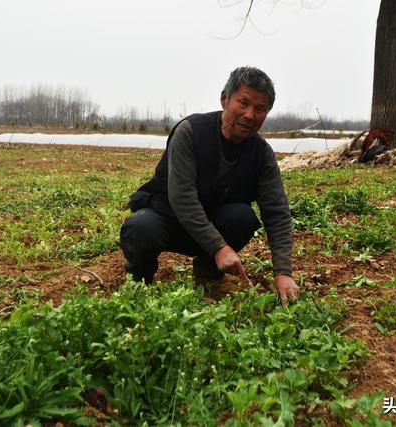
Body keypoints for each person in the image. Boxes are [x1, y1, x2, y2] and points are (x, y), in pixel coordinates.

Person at [120, 66, 299, 305]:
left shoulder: (261, 154)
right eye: (243, 103)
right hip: (168, 220)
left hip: (211, 227)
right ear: (225, 98)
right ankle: (139, 283)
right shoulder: (191, 132)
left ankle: (207, 275)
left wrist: (283, 272)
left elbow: (277, 211)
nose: (249, 115)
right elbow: (182, 199)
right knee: (140, 226)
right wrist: (220, 248)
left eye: (260, 109)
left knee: (242, 217)